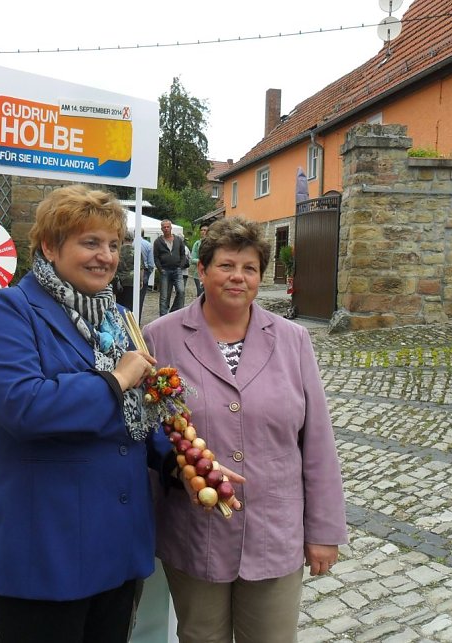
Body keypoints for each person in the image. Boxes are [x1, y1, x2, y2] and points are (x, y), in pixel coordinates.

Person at [0, 185, 167, 643]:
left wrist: (181, 460)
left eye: (114, 245)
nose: (106, 256)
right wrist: (113, 381)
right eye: (90, 243)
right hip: (45, 552)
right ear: (49, 246)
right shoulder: (11, 309)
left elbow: (140, 415)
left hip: (116, 546)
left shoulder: (118, 317)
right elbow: (22, 405)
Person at [143, 217, 347, 643]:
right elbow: (144, 432)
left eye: (249, 268)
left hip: (273, 531)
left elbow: (317, 443)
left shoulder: (293, 340)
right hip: (194, 533)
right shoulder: (159, 338)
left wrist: (324, 532)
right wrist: (178, 466)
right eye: (226, 265)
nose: (238, 277)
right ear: (201, 270)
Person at [153, 219, 188, 317]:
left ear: (171, 227)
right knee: (164, 296)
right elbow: (156, 257)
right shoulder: (158, 242)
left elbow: (183, 254)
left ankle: (176, 312)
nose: (166, 228)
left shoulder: (178, 240)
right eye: (164, 227)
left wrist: (181, 266)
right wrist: (161, 269)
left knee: (181, 291)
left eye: (168, 227)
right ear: (161, 229)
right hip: (165, 270)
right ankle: (163, 316)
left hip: (177, 269)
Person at [114, 230, 136, 310]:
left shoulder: (117, 250)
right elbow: (140, 267)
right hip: (131, 280)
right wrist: (140, 281)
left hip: (119, 280)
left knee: (119, 301)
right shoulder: (136, 251)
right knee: (130, 302)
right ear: (132, 239)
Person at [189, 223, 209, 298]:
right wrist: (202, 261)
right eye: (202, 230)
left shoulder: (214, 243)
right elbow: (192, 259)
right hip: (198, 274)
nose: (203, 232)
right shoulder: (197, 244)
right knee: (200, 294)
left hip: (211, 273)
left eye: (205, 230)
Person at [139, 235, 153, 321]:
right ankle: (137, 318)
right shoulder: (148, 244)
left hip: (129, 273)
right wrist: (149, 273)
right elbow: (151, 263)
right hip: (144, 271)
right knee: (140, 297)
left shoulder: (130, 244)